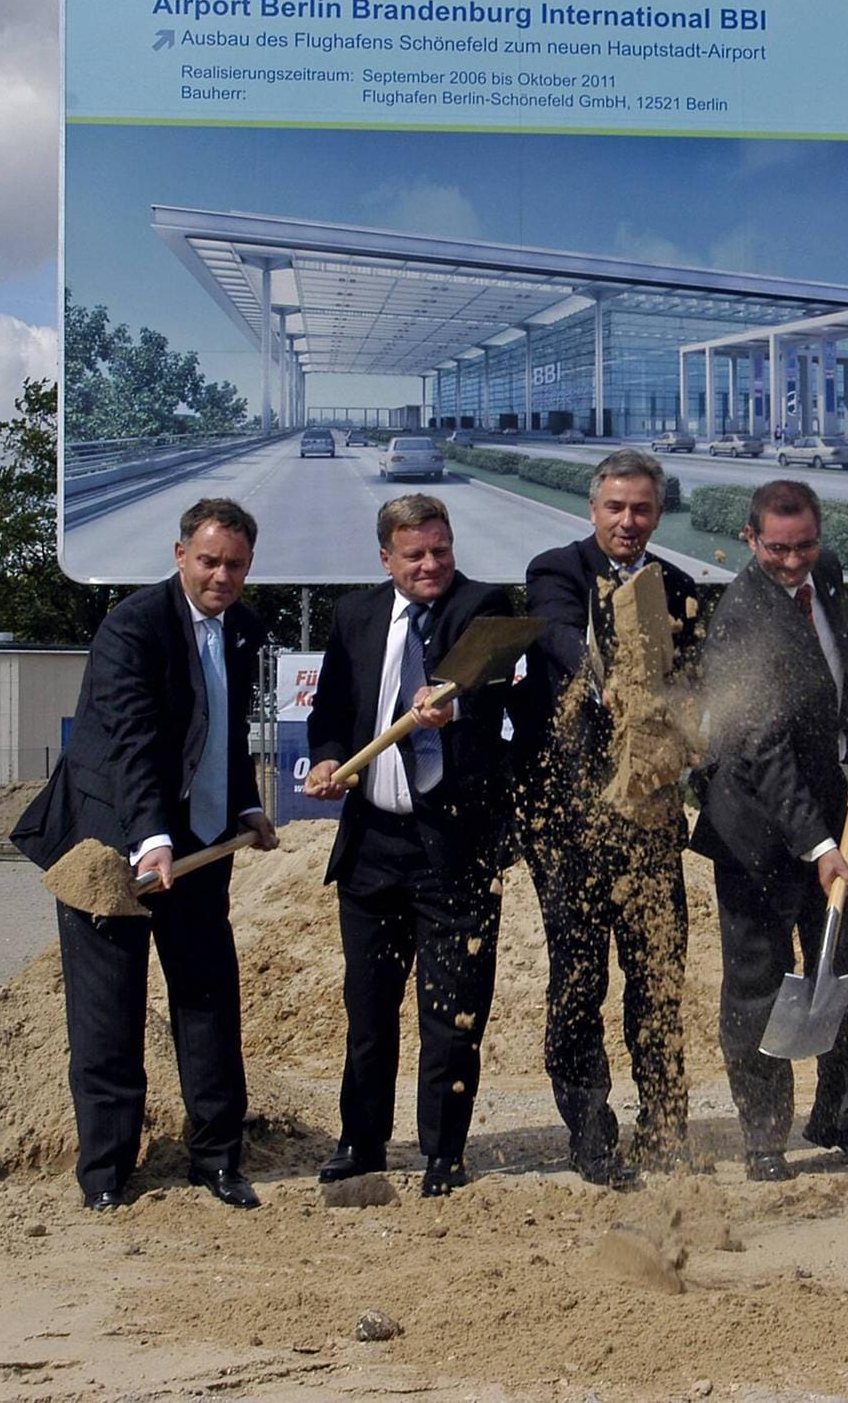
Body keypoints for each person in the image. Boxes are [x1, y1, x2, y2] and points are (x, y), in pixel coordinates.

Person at [13, 498, 277, 1213]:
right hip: (106, 842)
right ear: (180, 553)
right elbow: (130, 741)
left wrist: (246, 803)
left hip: (194, 842)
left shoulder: (245, 629)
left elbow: (216, 728)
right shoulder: (132, 626)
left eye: (236, 564)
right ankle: (106, 1173)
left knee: (208, 999)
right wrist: (150, 838)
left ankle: (217, 1159)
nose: (222, 575)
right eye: (209, 560)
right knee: (108, 1012)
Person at [692, 480, 848, 1181]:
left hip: (827, 817)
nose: (793, 562)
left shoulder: (827, 575)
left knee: (837, 969)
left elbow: (840, 656)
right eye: (778, 549)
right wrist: (817, 847)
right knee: (757, 980)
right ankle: (763, 1139)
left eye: (805, 545)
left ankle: (845, 1118)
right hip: (756, 829)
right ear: (752, 540)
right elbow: (760, 749)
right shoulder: (741, 619)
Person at [303, 495, 514, 1198]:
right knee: (367, 1007)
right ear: (386, 558)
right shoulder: (356, 617)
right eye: (415, 553)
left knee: (451, 1011)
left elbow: (495, 687)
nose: (431, 564)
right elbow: (330, 712)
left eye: (441, 549)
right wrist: (330, 758)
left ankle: (443, 1153)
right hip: (371, 846)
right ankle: (360, 1143)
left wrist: (460, 703)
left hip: (455, 850)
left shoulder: (483, 606)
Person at [514, 451, 702, 1186]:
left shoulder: (680, 589)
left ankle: (666, 1130)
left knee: (659, 978)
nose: (628, 521)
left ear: (657, 514)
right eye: (616, 508)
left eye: (642, 509)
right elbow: (558, 637)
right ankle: (591, 1137)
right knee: (578, 982)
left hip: (650, 825)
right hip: (570, 828)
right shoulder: (556, 571)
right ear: (593, 510)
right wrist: (612, 679)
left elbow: (698, 689)